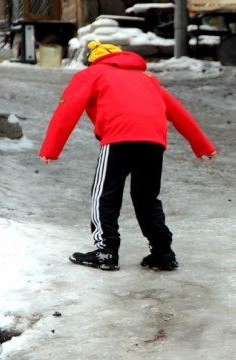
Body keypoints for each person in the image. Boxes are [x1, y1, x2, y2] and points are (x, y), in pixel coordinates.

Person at [39, 40, 217, 271]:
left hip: (118, 138)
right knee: (147, 198)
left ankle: (106, 252)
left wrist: (51, 149)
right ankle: (163, 253)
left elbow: (67, 110)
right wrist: (203, 146)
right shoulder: (147, 79)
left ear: (94, 59)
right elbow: (178, 112)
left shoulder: (91, 74)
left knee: (105, 194)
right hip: (153, 142)